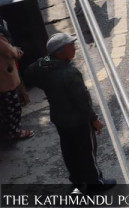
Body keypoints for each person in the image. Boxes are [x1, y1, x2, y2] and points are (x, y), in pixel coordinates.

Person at [23, 33, 115, 190]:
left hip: (60, 119)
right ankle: (94, 184)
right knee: (87, 152)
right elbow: (82, 102)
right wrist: (94, 120)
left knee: (70, 151)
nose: (74, 47)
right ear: (60, 53)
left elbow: (29, 73)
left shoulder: (46, 65)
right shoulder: (70, 73)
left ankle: (77, 182)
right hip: (79, 121)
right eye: (70, 46)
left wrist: (47, 76)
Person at [0, 22, 31, 142]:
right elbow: (9, 50)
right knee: (12, 107)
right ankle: (13, 132)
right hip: (4, 78)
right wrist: (17, 52)